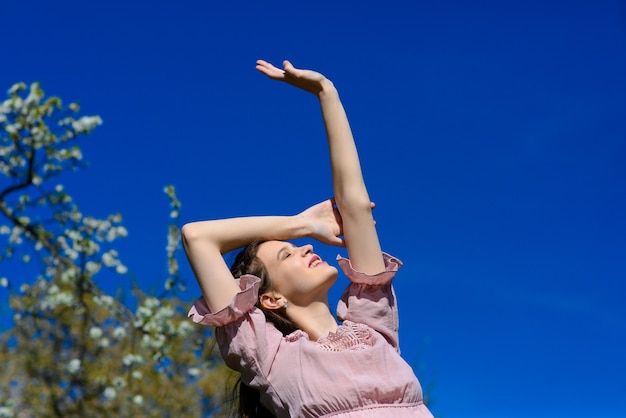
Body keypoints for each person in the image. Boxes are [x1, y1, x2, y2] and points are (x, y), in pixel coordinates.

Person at [183, 59, 434, 418]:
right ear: (270, 298)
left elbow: (356, 207)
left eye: (298, 244)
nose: (306, 247)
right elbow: (197, 236)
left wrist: (326, 93)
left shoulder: (373, 326)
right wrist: (300, 224)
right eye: (287, 255)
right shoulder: (268, 356)